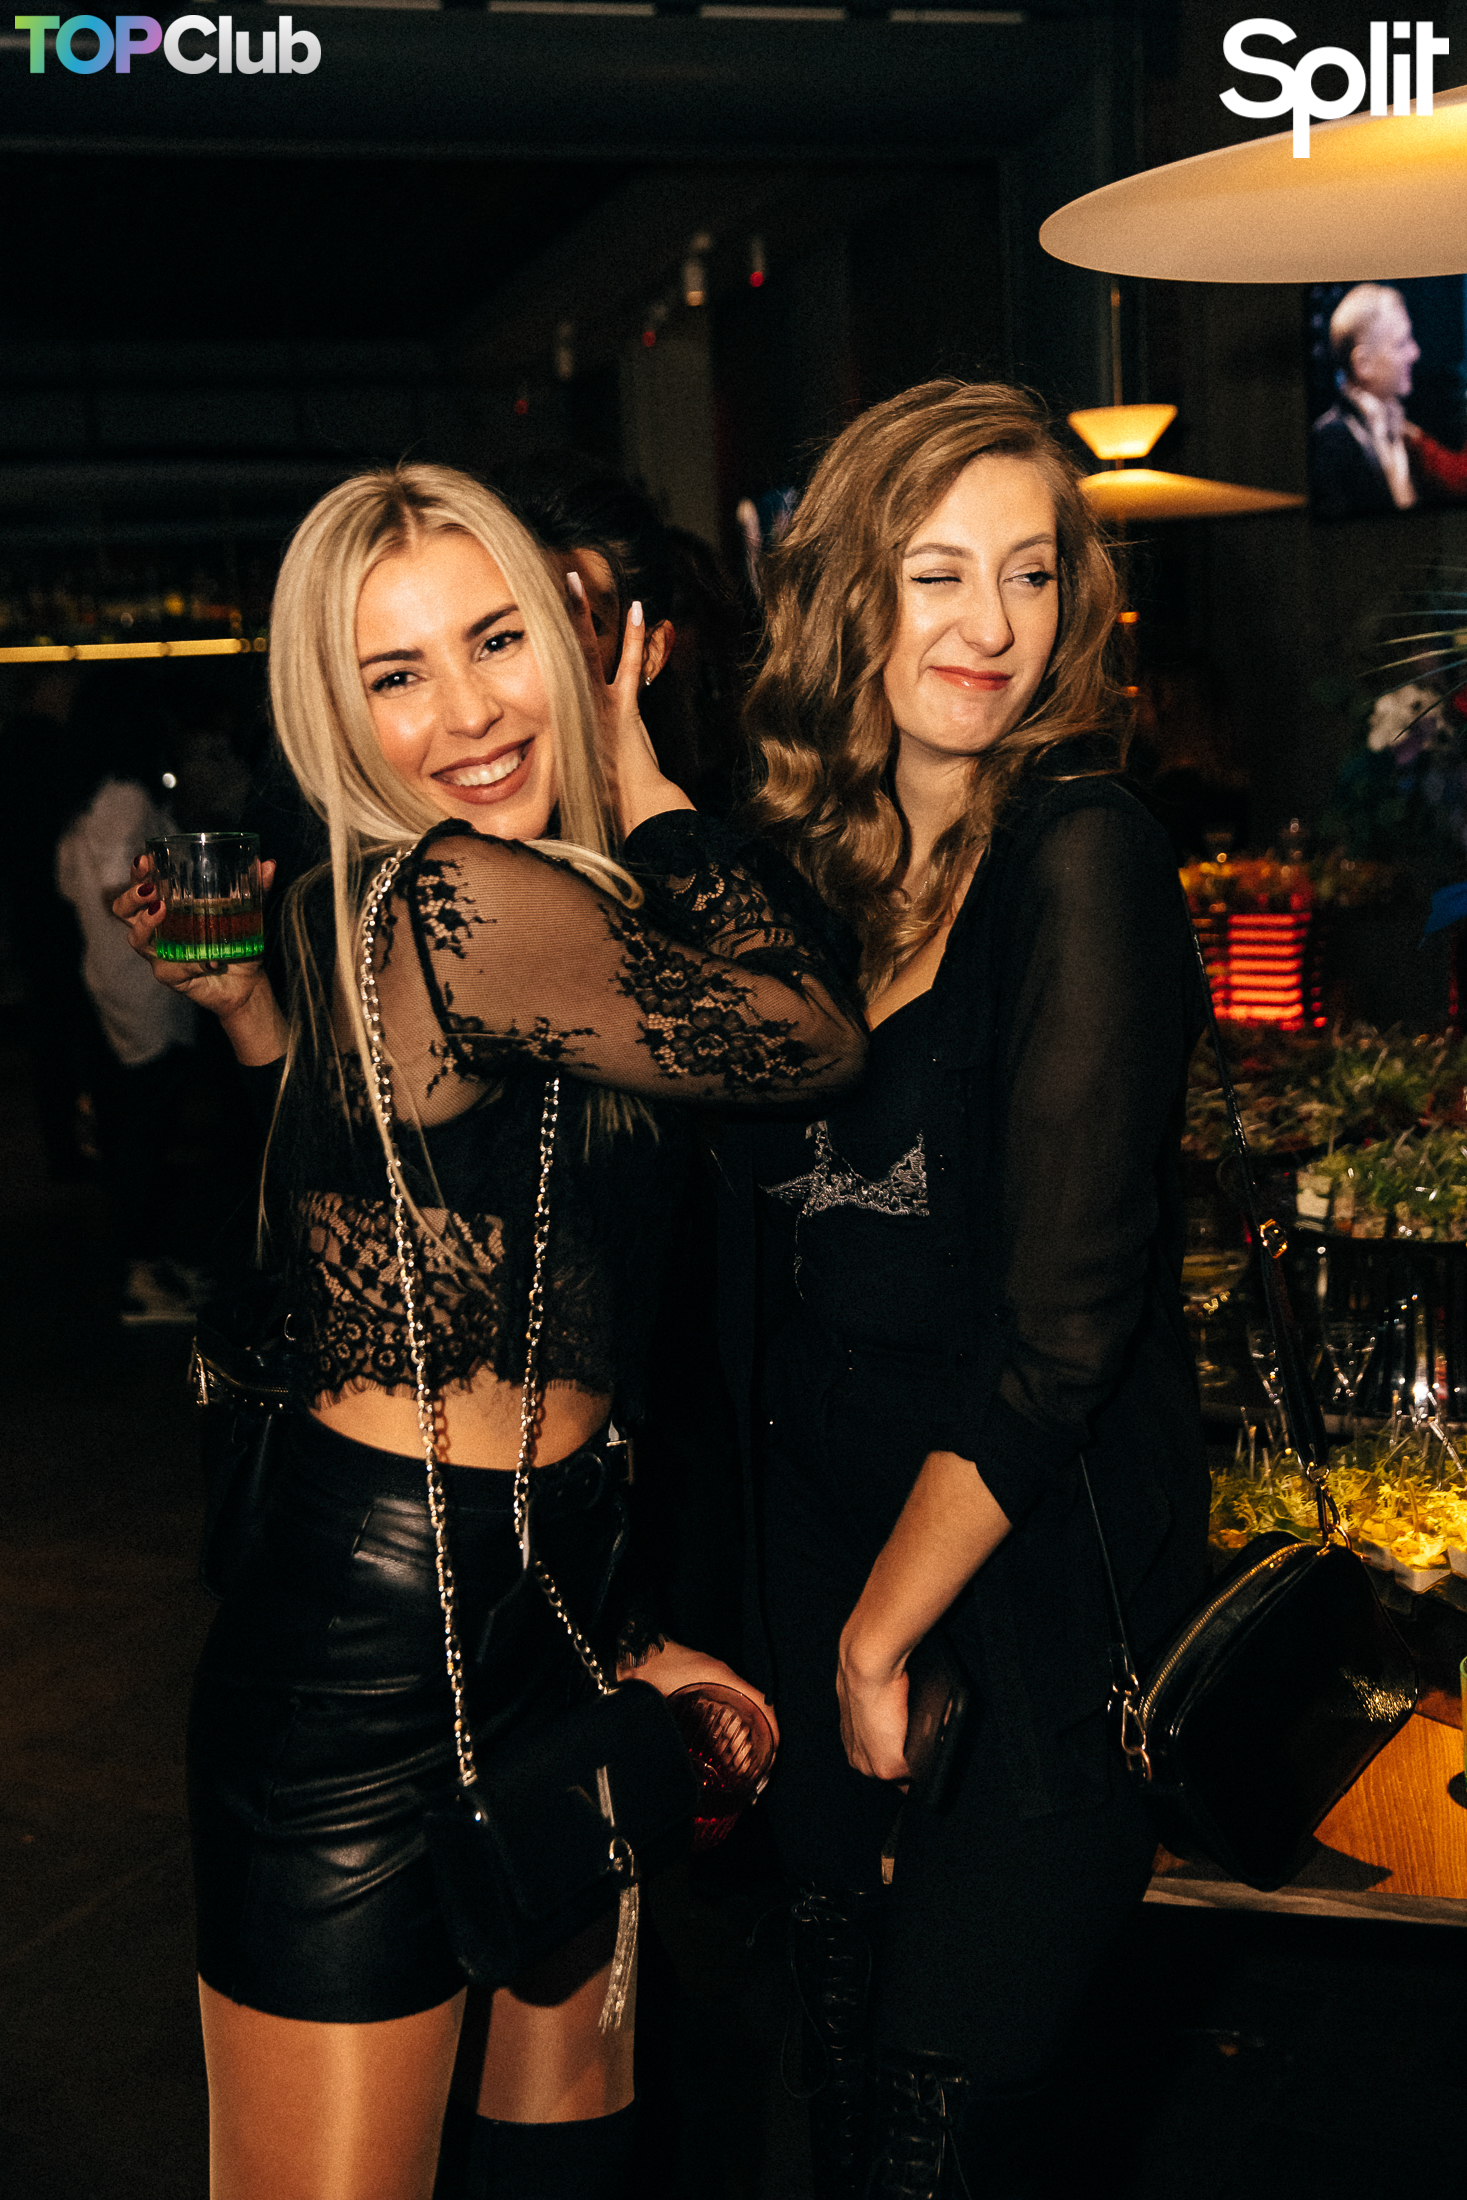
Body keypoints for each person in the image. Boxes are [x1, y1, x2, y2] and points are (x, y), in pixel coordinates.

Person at [112, 462, 866, 2200]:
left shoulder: (430, 898)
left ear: (568, 636)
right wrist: (656, 790)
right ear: (336, 712)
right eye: (396, 674)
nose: (465, 713)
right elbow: (810, 1033)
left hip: (541, 1600)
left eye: (496, 639)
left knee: (567, 2168)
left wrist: (619, 1625)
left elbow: (393, 1217)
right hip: (369, 1659)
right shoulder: (463, 897)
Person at [734, 381, 1211, 2198]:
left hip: (1018, 1601)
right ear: (850, 596)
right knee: (838, 2086)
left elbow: (1062, 1334)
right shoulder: (819, 880)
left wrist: (880, 1637)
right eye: (936, 573)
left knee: (939, 2121)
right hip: (820, 1555)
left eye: (1028, 572)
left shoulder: (1078, 854)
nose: (990, 625)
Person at [55, 690, 199, 1324]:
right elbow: (119, 886)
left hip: (110, 975)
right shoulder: (126, 797)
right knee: (144, 1130)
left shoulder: (86, 803)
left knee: (133, 1127)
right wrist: (198, 884)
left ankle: (151, 1264)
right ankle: (143, 1276)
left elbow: (73, 887)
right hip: (142, 979)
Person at [1309, 284, 1425, 517]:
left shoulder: (1404, 430)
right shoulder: (1330, 442)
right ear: (1363, 364)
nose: (1415, 353)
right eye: (1401, 343)